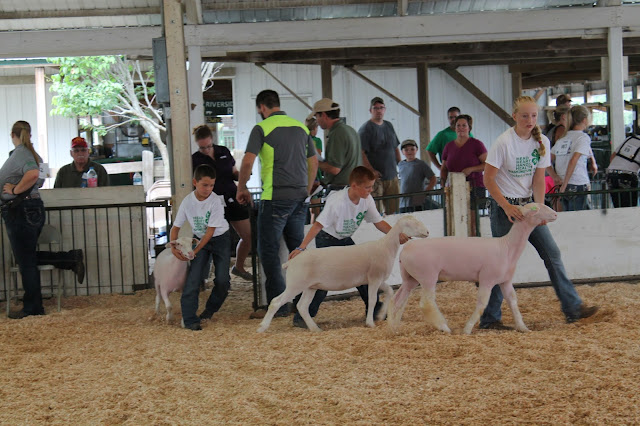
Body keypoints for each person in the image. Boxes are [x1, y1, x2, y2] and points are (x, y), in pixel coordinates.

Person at [479, 96, 598, 330]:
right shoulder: (503, 142)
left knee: (552, 253)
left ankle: (573, 308)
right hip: (506, 209)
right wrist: (506, 206)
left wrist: (539, 209)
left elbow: (539, 179)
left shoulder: (541, 141)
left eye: (533, 115)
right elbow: (488, 179)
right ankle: (489, 318)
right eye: (525, 115)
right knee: (502, 263)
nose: (530, 120)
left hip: (528, 208)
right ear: (515, 116)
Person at [287, 166, 409, 328]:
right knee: (323, 279)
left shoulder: (367, 199)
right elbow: (317, 225)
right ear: (354, 186)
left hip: (344, 239)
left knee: (364, 271)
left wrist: (396, 234)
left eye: (372, 186)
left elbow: (378, 222)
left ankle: (374, 310)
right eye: (367, 187)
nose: (371, 190)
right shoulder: (337, 202)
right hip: (327, 238)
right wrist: (302, 247)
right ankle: (302, 316)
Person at [236, 90, 318, 317]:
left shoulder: (261, 128)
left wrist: (241, 187)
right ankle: (302, 303)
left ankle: (278, 307)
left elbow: (247, 162)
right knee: (298, 251)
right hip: (299, 198)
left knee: (269, 251)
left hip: (275, 198)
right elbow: (313, 162)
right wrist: (306, 190)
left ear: (262, 107)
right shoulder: (301, 128)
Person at [170, 165, 230, 331]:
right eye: (205, 185)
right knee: (194, 278)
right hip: (200, 239)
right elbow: (175, 227)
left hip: (220, 238)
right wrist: (173, 247)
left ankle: (209, 310)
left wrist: (194, 251)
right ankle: (189, 319)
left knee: (223, 280)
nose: (208, 189)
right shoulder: (187, 202)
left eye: (211, 185)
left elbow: (210, 232)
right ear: (195, 182)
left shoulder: (216, 201)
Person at [192, 124, 253, 280]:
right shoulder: (195, 159)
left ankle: (239, 267)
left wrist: (244, 176)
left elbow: (234, 172)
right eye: (202, 148)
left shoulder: (223, 151)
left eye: (208, 146)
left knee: (248, 236)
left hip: (232, 196)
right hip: (211, 203)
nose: (206, 150)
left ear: (212, 140)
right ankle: (206, 276)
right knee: (211, 241)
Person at [1, 121, 46, 318]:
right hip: (32, 207)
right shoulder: (35, 155)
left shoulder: (21, 154)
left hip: (20, 209)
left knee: (25, 261)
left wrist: (15, 190)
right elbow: (42, 177)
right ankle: (69, 258)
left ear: (13, 134)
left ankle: (33, 307)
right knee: (29, 258)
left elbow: (34, 174)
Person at [440, 115, 488, 236]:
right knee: (454, 221)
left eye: (464, 125)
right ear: (454, 128)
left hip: (474, 186)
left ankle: (474, 243)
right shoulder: (449, 146)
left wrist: (471, 169)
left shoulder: (477, 144)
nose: (461, 128)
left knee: (472, 222)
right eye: (458, 125)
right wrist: (443, 185)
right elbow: (444, 168)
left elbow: (487, 164)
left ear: (469, 128)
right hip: (454, 188)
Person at [358, 97, 401, 215]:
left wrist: (400, 165)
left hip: (392, 176)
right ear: (370, 110)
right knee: (375, 211)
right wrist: (371, 171)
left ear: (385, 110)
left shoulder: (389, 126)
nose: (379, 111)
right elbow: (361, 152)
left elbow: (395, 147)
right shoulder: (365, 129)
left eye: (381, 108)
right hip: (376, 179)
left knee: (393, 211)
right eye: (375, 108)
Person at [548, 105, 593, 211]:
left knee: (567, 216)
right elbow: (573, 160)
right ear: (585, 120)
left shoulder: (563, 138)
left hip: (561, 185)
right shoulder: (583, 137)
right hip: (577, 183)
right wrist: (564, 184)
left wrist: (555, 177)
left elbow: (546, 161)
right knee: (580, 217)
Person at [313, 98, 362, 192]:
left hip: (341, 189)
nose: (317, 122)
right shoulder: (350, 130)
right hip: (353, 186)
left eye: (317, 117)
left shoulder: (337, 133)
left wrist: (313, 162)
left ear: (324, 115)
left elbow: (334, 168)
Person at [426, 106, 473, 171]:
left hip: (466, 170)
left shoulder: (468, 134)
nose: (453, 119)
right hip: (450, 170)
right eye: (451, 117)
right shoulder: (442, 135)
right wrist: (439, 167)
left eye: (455, 117)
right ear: (448, 119)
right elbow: (430, 151)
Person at [397, 139, 437, 213]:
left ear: (416, 150)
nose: (409, 152)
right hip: (403, 202)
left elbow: (433, 178)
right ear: (402, 152)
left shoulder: (421, 164)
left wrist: (425, 192)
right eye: (406, 150)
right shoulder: (400, 165)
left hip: (417, 202)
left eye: (412, 149)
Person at [607, 134, 640, 208]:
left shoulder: (631, 138)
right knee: (629, 209)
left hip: (611, 174)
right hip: (627, 176)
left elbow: (613, 156)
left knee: (618, 207)